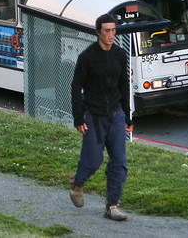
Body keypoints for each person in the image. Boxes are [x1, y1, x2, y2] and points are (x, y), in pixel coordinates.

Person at [69, 14, 133, 223]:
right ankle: (77, 184)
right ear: (98, 32)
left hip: (116, 115)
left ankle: (112, 206)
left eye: (113, 30)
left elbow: (124, 85)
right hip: (94, 116)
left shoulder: (120, 55)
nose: (111, 34)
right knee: (93, 160)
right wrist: (79, 118)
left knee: (119, 163)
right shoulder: (87, 57)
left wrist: (128, 116)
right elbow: (75, 87)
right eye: (106, 30)